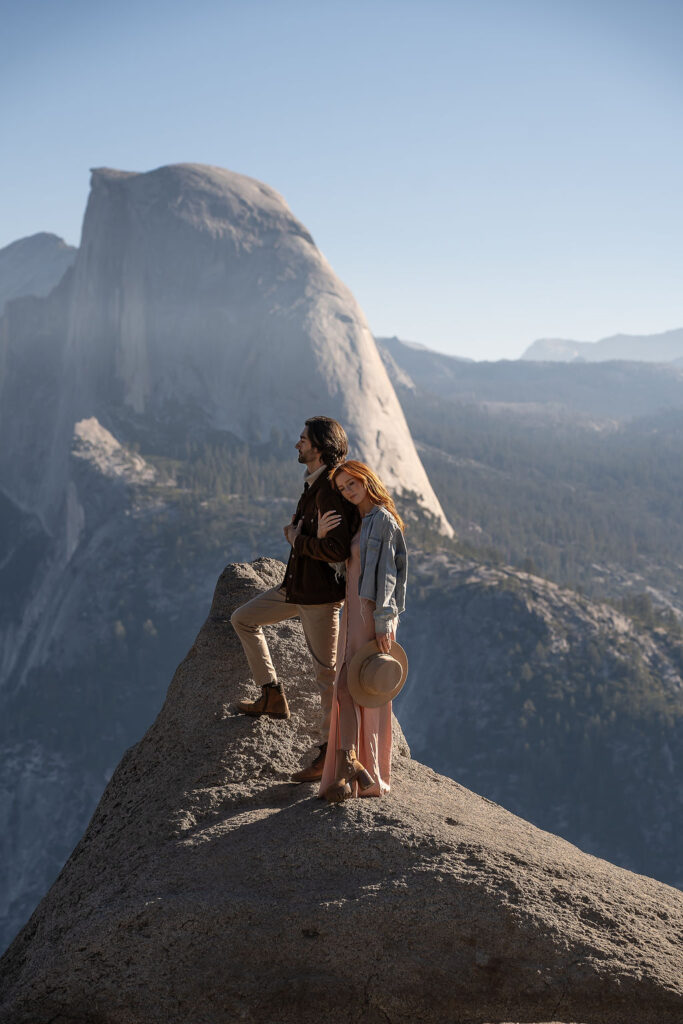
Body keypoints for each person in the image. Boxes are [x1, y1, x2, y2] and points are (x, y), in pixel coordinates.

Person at [231, 417, 358, 782]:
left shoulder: (331, 490)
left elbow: (335, 548)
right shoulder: (314, 486)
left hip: (318, 597)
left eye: (302, 439)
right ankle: (272, 695)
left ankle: (329, 754)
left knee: (327, 676)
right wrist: (299, 534)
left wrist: (295, 539)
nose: (296, 444)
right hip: (296, 588)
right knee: (243, 618)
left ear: (319, 446)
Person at [316, 460, 408, 803]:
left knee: (358, 687)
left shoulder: (382, 520)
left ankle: (356, 769)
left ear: (366, 479)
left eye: (351, 483)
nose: (347, 491)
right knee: (348, 688)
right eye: (342, 488)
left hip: (370, 616)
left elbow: (388, 576)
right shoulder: (360, 520)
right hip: (353, 614)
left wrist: (385, 621)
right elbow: (347, 570)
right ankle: (351, 767)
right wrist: (324, 538)